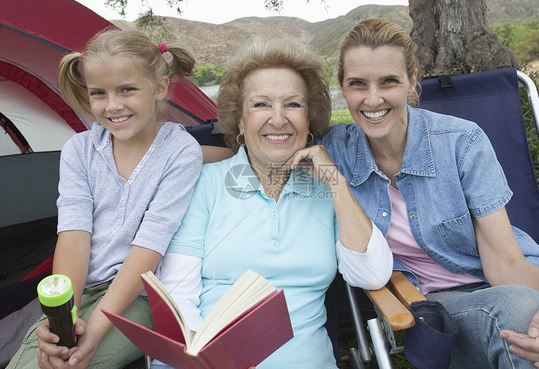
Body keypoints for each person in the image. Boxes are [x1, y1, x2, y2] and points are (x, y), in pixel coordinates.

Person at [314, 18, 539, 368]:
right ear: (342, 87)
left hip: (523, 278)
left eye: (389, 81)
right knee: (526, 320)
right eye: (357, 84)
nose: (373, 99)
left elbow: (505, 264)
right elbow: (257, 148)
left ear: (413, 80)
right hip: (446, 304)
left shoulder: (462, 142)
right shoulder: (333, 153)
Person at [149, 38, 393, 369]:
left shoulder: (326, 189)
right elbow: (177, 299)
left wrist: (336, 184)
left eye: (293, 105)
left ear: (309, 118)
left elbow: (373, 275)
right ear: (239, 120)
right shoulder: (204, 184)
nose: (278, 120)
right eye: (261, 105)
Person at [7, 29, 203, 369]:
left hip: (139, 295)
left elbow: (148, 248)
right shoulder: (78, 150)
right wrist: (62, 320)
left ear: (160, 88)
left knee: (78, 364)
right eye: (99, 93)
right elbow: (73, 236)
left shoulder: (180, 152)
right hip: (81, 287)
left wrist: (94, 332)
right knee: (40, 360)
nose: (112, 106)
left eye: (127, 89)